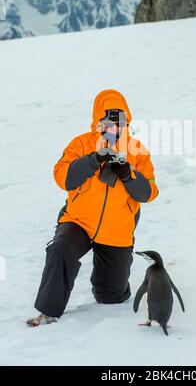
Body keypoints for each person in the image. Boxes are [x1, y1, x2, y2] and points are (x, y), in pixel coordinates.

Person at [27, 89, 159, 326]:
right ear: (98, 122)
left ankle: (109, 278)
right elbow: (63, 178)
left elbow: (149, 193)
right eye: (107, 123)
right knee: (61, 249)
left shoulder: (137, 150)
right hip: (79, 221)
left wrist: (129, 175)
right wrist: (94, 159)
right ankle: (48, 312)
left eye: (118, 122)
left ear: (126, 122)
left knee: (111, 297)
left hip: (116, 230)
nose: (113, 128)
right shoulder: (81, 143)